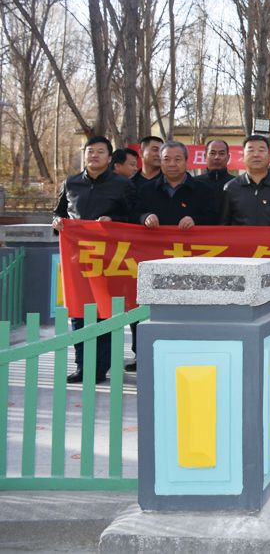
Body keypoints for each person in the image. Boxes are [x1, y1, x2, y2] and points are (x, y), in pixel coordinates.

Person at [53, 136, 139, 384]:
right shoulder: (71, 183)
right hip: (77, 259)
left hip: (109, 260)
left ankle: (100, 367)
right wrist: (56, 222)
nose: (94, 155)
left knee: (106, 312)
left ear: (109, 158)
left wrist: (114, 222)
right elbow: (58, 212)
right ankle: (82, 366)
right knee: (79, 312)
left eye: (100, 151)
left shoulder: (122, 185)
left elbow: (134, 217)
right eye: (90, 151)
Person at [136, 140, 219, 371]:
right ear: (160, 162)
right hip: (156, 264)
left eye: (177, 159)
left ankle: (196, 355)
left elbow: (216, 218)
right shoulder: (145, 190)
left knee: (193, 310)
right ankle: (148, 356)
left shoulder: (204, 190)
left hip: (194, 265)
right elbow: (132, 214)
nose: (172, 164)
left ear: (187, 161)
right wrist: (144, 217)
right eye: (166, 159)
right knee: (156, 311)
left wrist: (196, 220)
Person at [222, 135, 270, 226]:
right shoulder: (231, 188)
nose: (256, 155)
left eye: (261, 150)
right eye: (251, 150)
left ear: (269, 156)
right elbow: (224, 225)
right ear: (243, 156)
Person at [195, 139, 235, 216]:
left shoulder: (236, 184)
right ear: (205, 156)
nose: (217, 157)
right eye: (212, 153)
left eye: (221, 153)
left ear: (228, 157)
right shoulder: (194, 183)